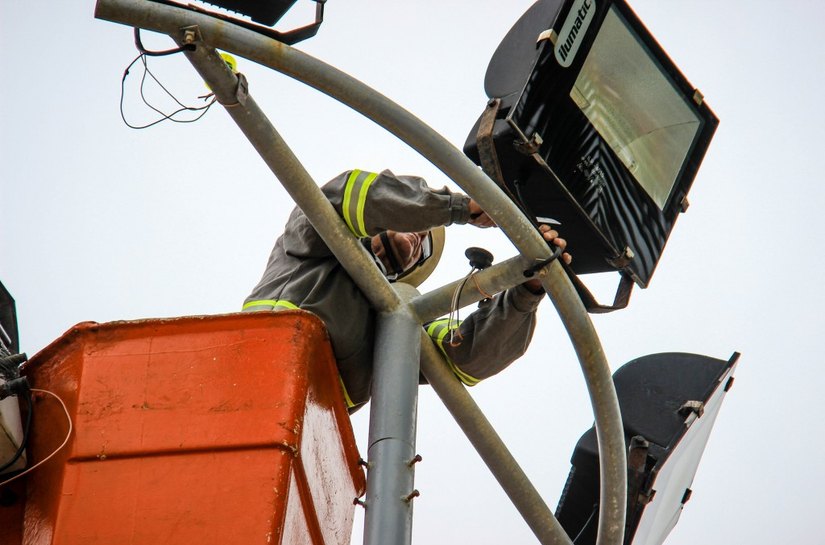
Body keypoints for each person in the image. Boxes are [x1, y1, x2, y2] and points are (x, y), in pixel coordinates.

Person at [243, 169, 570, 412]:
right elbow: (353, 197)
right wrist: (457, 207)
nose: (417, 239)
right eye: (414, 226)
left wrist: (527, 287)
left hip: (315, 421)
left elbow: (470, 357)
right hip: (256, 370)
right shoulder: (316, 233)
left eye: (424, 245)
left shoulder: (393, 319)